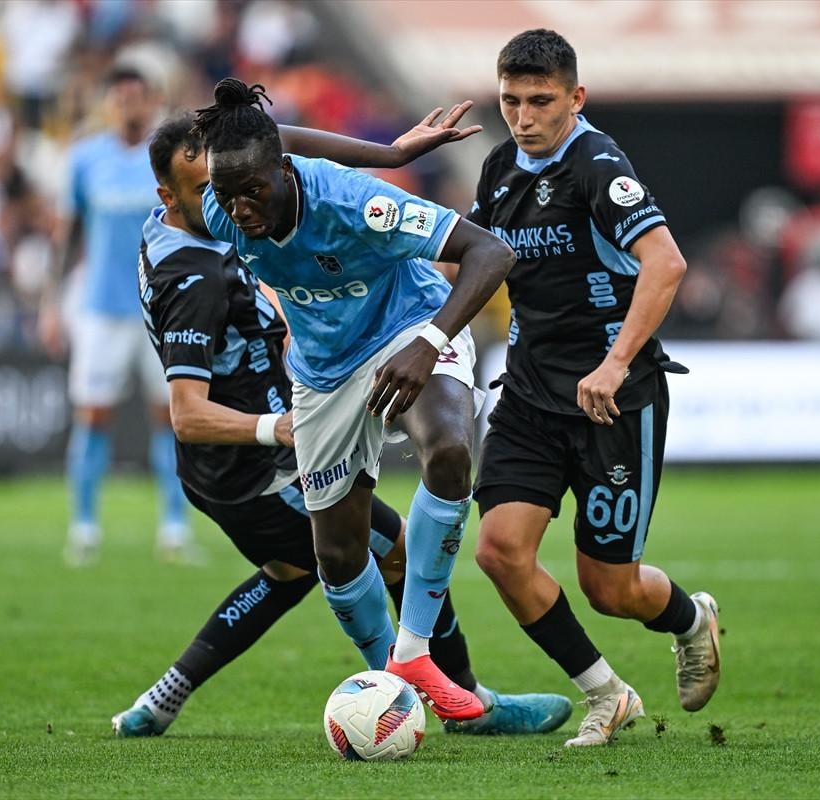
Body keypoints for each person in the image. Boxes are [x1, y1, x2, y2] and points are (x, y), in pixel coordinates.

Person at [111, 112, 571, 737]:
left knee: (296, 570)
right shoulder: (196, 275)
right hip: (265, 459)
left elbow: (281, 140)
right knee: (362, 555)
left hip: (254, 445)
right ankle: (434, 695)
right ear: (177, 197)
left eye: (246, 187)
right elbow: (186, 413)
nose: (235, 207)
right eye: (215, 190)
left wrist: (390, 154)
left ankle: (169, 698)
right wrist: (277, 427)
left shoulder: (192, 223)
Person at [193, 78, 515, 721]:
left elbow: (490, 252)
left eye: (253, 191)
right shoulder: (222, 198)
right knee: (338, 557)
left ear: (284, 171)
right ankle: (392, 687)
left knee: (449, 450)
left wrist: (428, 343)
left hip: (410, 326)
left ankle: (414, 650)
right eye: (227, 195)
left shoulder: (357, 204)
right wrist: (390, 152)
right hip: (323, 370)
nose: (240, 209)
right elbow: (268, 140)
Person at [465, 29, 722, 747]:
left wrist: (613, 363)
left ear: (575, 98)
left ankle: (691, 620)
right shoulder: (498, 167)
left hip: (614, 401)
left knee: (610, 589)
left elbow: (666, 264)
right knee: (498, 550)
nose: (523, 117)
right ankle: (606, 694)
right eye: (510, 101)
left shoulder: (598, 167)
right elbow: (470, 258)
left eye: (540, 101)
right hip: (528, 394)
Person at [38, 65, 193, 566]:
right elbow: (68, 235)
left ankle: (175, 526)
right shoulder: (85, 159)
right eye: (121, 96)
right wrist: (51, 302)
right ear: (108, 103)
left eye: (138, 96)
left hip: (163, 307)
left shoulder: (170, 158)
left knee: (172, 418)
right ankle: (84, 526)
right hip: (101, 308)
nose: (130, 105)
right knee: (93, 414)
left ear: (152, 101)